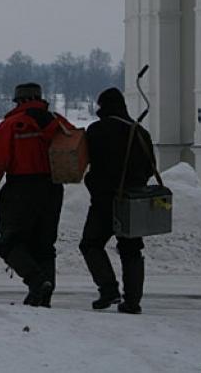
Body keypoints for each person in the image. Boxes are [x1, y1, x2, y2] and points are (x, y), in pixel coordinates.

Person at [0, 82, 73, 307]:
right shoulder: (59, 123)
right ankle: (44, 294)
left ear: (18, 101)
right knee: (45, 245)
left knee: (9, 242)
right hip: (53, 189)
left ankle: (36, 282)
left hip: (21, 188)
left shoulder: (11, 125)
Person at [80, 87, 156, 315]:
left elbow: (82, 161)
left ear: (103, 107)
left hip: (104, 200)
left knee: (91, 244)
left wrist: (94, 183)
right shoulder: (139, 132)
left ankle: (108, 289)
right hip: (133, 201)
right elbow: (150, 166)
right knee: (131, 250)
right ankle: (132, 302)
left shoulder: (96, 130)